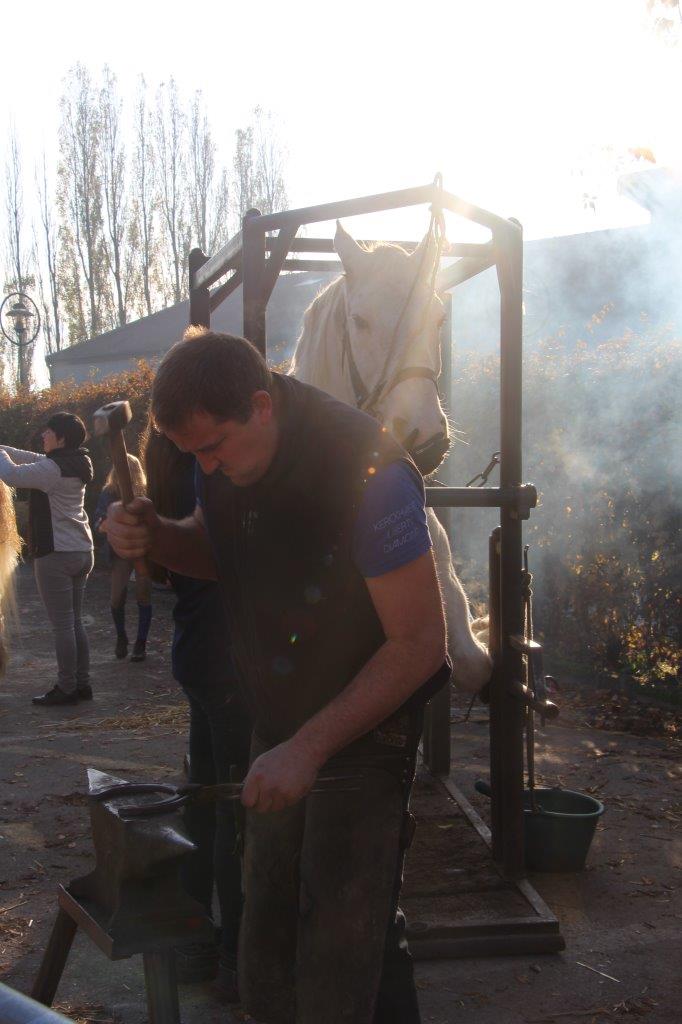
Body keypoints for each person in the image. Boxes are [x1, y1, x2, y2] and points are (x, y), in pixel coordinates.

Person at [105, 330, 448, 1024]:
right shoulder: (221, 456)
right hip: (278, 720)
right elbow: (216, 545)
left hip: (364, 733)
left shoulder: (368, 470)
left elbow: (419, 646)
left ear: (262, 406)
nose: (204, 464)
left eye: (212, 448)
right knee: (266, 926)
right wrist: (157, 539)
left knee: (347, 937)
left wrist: (310, 747)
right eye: (192, 452)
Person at [143, 425, 251, 998]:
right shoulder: (211, 476)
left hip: (197, 654)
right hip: (227, 659)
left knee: (202, 798)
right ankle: (235, 954)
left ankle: (194, 944)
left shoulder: (165, 475)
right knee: (236, 809)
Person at [0, 412, 94, 706]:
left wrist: (1, 454)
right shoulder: (78, 461)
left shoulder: (51, 470)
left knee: (63, 626)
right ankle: (82, 683)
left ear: (61, 438)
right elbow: (28, 456)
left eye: (48, 432)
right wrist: (4, 448)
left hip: (57, 554)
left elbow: (11, 474)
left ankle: (66, 687)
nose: (43, 435)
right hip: (82, 550)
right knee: (75, 622)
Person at [93, 454, 152, 662]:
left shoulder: (146, 493)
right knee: (116, 598)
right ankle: (121, 637)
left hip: (144, 551)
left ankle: (141, 644)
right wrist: (106, 524)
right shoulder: (109, 493)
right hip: (120, 552)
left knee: (144, 596)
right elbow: (98, 522)